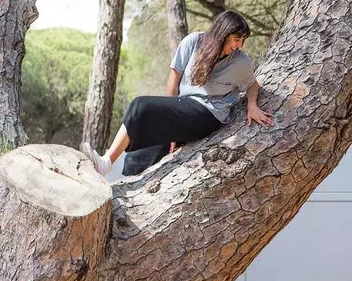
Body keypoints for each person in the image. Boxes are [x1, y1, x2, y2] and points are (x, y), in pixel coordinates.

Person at [82, 10, 272, 177]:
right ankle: (125, 184)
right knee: (147, 146)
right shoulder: (193, 42)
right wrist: (171, 121)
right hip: (184, 107)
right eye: (237, 39)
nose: (240, 45)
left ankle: (105, 163)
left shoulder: (241, 61)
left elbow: (253, 85)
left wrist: (252, 104)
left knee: (140, 106)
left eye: (243, 40)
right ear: (223, 34)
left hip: (209, 113)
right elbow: (173, 82)